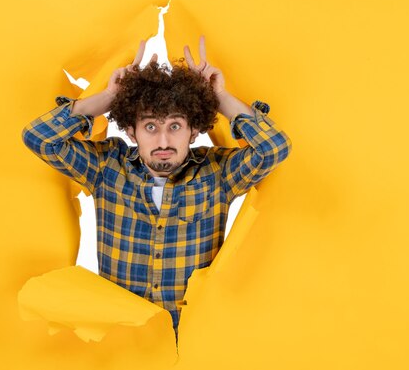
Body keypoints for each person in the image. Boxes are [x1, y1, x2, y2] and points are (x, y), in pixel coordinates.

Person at [22, 36, 292, 339]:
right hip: (122, 344)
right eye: (150, 126)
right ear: (131, 130)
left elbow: (273, 148)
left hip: (194, 342)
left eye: (175, 126)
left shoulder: (218, 173)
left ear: (194, 130)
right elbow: (38, 138)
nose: (163, 141)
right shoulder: (106, 167)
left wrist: (220, 97)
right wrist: (109, 96)